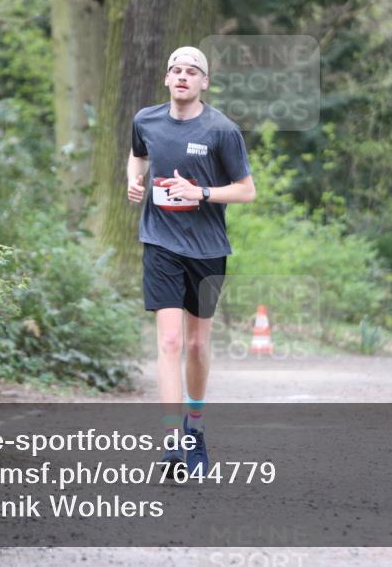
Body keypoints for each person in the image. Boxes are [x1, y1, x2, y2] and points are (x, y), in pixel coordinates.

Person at [126, 46, 256, 477]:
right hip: (160, 242)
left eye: (192, 72)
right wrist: (134, 180)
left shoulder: (222, 130)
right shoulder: (146, 120)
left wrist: (201, 193)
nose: (183, 76)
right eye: (176, 70)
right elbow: (138, 153)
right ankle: (171, 442)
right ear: (167, 79)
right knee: (169, 343)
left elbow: (245, 190)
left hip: (207, 247)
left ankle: (195, 429)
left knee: (197, 345)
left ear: (204, 82)